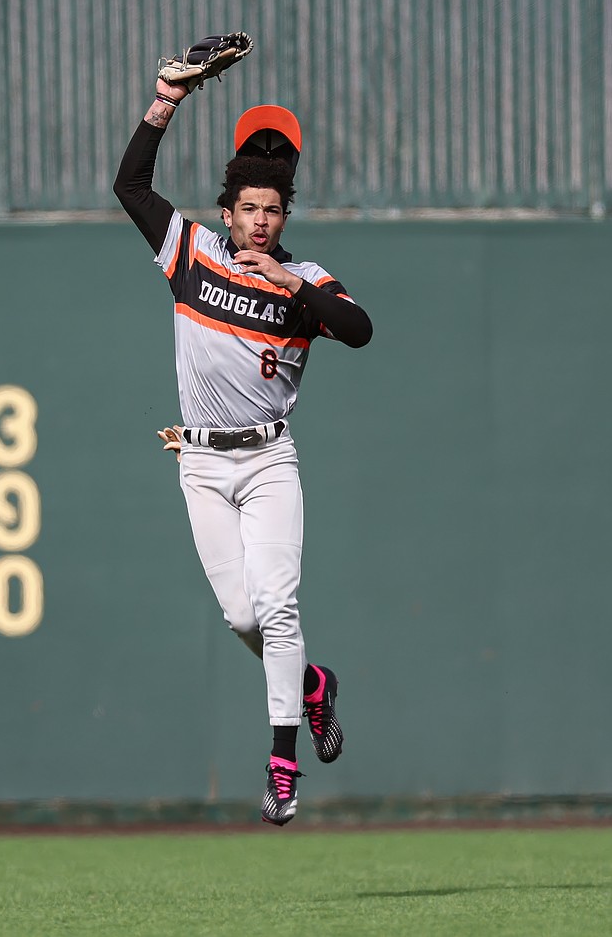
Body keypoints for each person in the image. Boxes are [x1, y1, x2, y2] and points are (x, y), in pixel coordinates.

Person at [113, 70, 373, 827]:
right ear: (227, 211)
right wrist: (167, 98)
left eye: (273, 210)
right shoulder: (192, 252)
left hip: (266, 461)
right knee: (241, 616)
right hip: (200, 462)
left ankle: (283, 765)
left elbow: (358, 330)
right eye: (249, 208)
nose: (261, 221)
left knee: (278, 605)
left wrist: (288, 285)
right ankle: (314, 686)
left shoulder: (306, 278)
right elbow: (130, 185)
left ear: (285, 215)